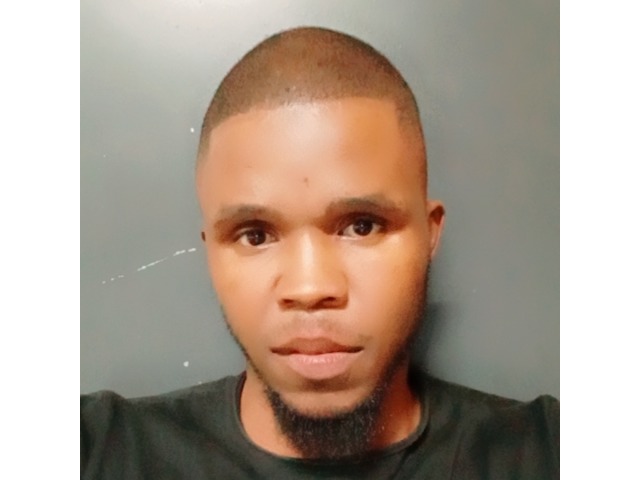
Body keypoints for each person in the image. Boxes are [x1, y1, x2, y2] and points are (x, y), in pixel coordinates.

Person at [81, 27, 559, 479]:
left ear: (429, 235)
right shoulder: (98, 452)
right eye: (255, 235)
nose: (310, 288)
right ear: (210, 252)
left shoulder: (548, 454)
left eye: (362, 226)